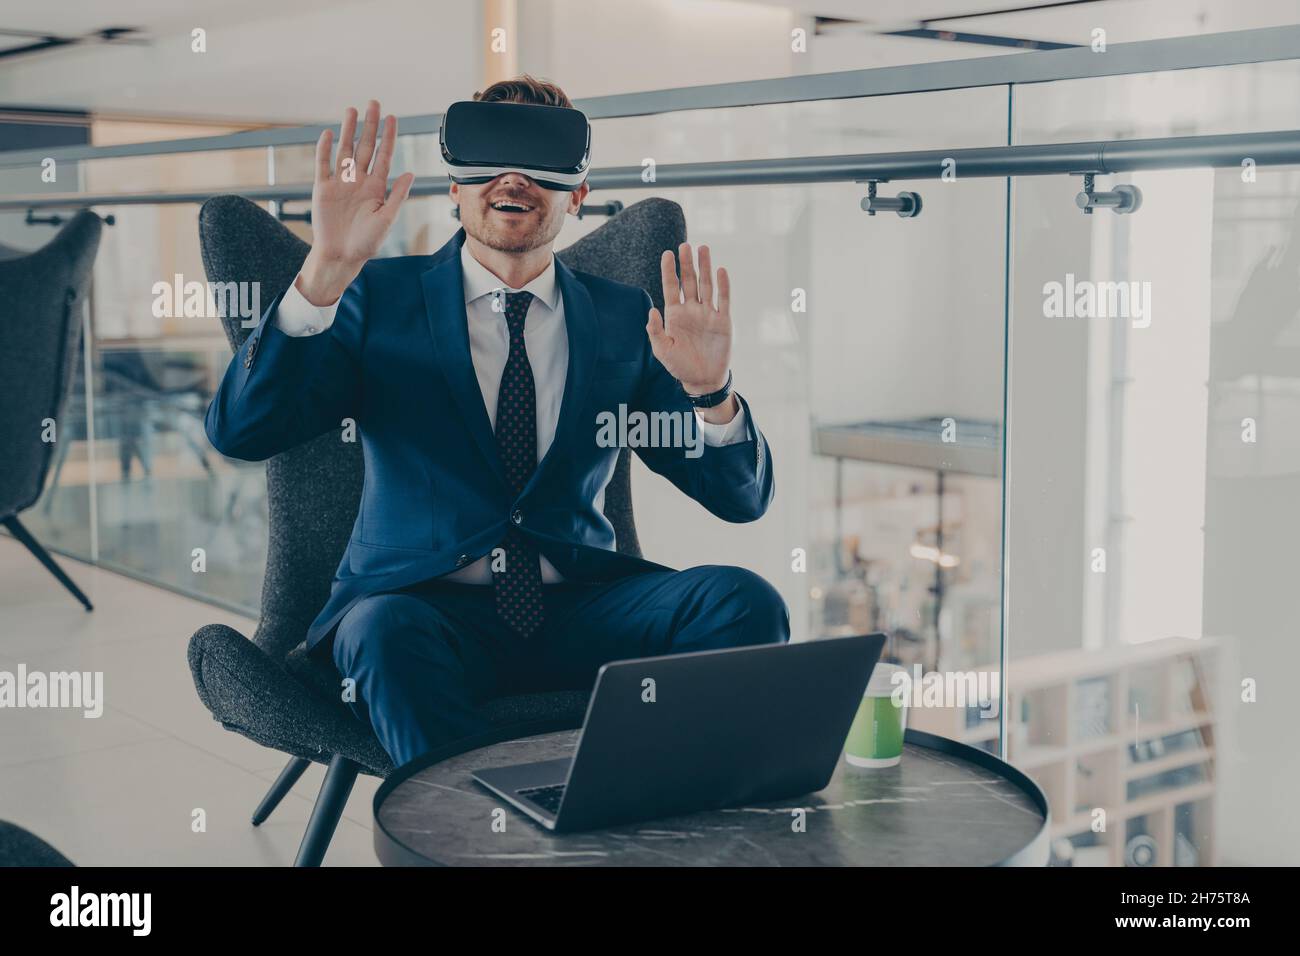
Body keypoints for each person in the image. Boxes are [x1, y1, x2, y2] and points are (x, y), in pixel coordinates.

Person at [206, 76, 787, 767]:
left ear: (577, 193)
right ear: (455, 186)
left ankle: (651, 801)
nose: (513, 177)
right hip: (421, 611)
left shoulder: (626, 319)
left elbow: (739, 500)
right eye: (491, 156)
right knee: (385, 631)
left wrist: (711, 392)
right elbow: (241, 434)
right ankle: (477, 841)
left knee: (743, 601)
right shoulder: (375, 300)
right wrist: (324, 274)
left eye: (541, 159)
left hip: (576, 609)